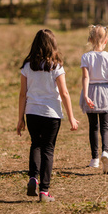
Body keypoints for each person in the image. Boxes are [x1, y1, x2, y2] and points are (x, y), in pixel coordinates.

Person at [17, 29, 79, 203]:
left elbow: (22, 94)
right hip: (51, 114)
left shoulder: (27, 66)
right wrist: (72, 117)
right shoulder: (56, 67)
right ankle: (44, 191)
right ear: (53, 46)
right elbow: (64, 93)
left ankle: (32, 178)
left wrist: (20, 118)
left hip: (32, 113)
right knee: (48, 149)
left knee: (35, 144)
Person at [79, 25, 108, 174]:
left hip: (91, 90)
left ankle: (94, 159)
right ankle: (105, 152)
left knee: (93, 126)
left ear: (90, 39)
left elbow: (85, 77)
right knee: (105, 125)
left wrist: (85, 95)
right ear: (106, 40)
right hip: (105, 92)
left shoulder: (86, 57)